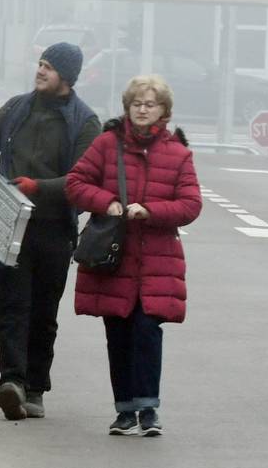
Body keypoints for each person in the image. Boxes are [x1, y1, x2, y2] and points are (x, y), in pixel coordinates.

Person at [0, 42, 101, 420]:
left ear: (67, 78)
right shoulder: (14, 109)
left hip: (54, 231)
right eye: (40, 63)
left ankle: (36, 387)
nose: (40, 71)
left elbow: (82, 179)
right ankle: (12, 382)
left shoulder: (85, 122)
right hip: (8, 226)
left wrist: (40, 188)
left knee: (42, 313)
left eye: (50, 67)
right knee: (11, 307)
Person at [65, 74, 202, 437]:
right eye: (137, 104)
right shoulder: (107, 145)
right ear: (127, 107)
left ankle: (148, 408)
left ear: (164, 112)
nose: (143, 110)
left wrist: (151, 212)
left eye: (150, 104)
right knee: (119, 332)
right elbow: (75, 183)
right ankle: (124, 410)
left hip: (156, 261)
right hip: (113, 260)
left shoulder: (178, 154)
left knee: (147, 329)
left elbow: (191, 205)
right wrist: (107, 203)